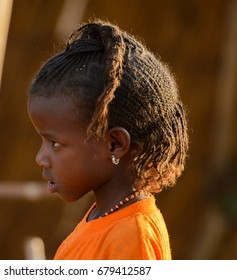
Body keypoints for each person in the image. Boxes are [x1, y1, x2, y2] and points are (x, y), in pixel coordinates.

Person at [27, 19, 188, 260]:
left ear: (115, 144)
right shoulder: (102, 217)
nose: (40, 158)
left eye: (55, 144)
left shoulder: (132, 237)